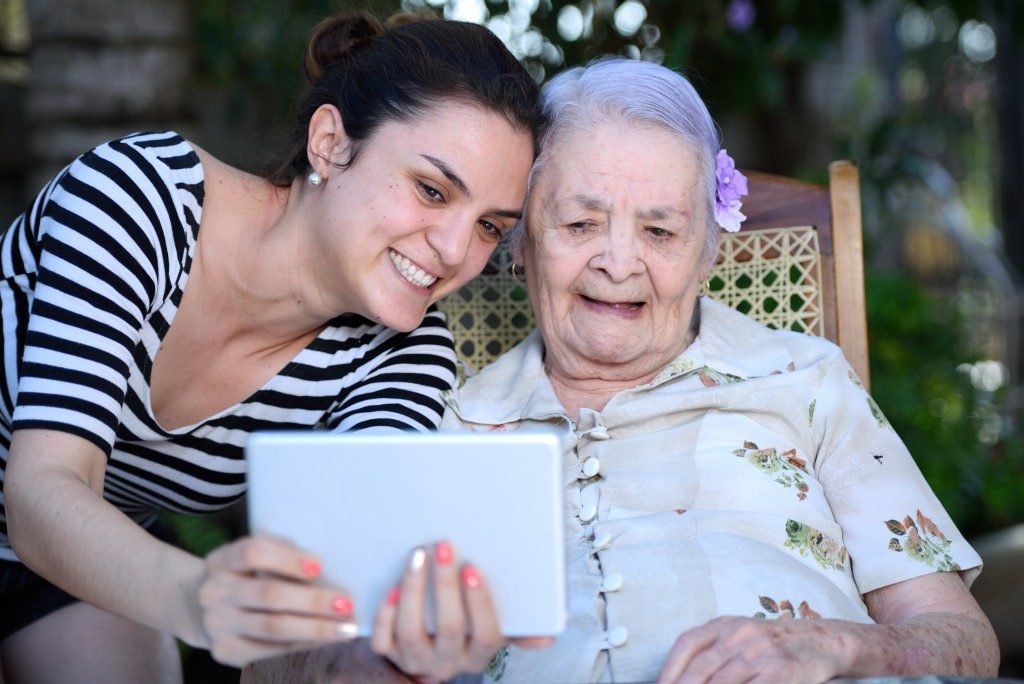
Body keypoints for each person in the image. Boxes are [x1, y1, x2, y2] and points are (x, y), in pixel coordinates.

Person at [0, 10, 541, 683]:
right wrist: (200, 597)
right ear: (330, 144)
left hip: (69, 565)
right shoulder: (144, 200)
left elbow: (343, 570)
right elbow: (41, 487)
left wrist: (402, 637)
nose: (456, 252)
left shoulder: (406, 351)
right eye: (432, 190)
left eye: (490, 227)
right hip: (49, 517)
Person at [427, 58, 999, 682]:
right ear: (522, 241)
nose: (619, 263)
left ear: (708, 252)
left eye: (660, 231)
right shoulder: (453, 423)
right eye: (580, 223)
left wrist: (841, 648)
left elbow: (964, 641)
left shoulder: (804, 380)